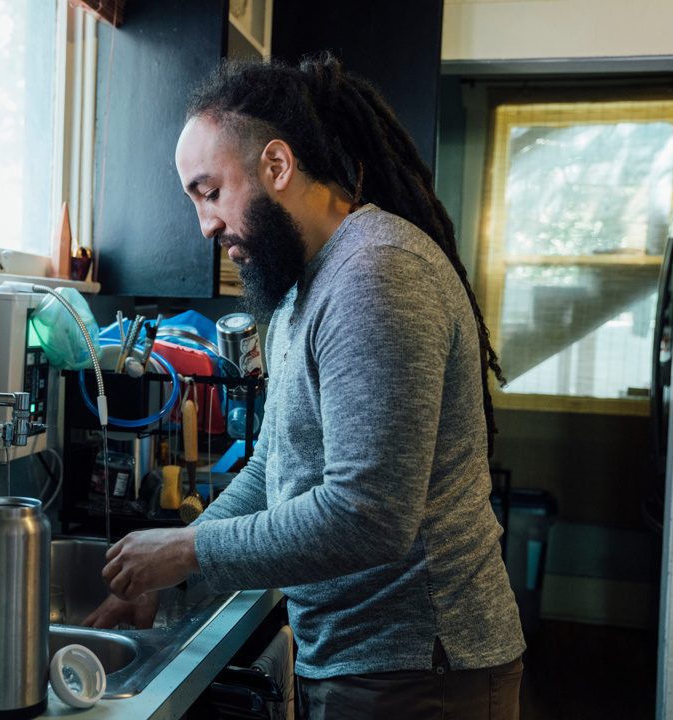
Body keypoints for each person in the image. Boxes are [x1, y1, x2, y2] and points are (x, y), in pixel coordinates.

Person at [84, 54, 526, 719]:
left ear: (278, 167)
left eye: (209, 191)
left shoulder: (375, 276)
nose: (204, 225)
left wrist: (185, 549)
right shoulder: (303, 287)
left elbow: (368, 514)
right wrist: (174, 570)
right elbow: (275, 466)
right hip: (364, 660)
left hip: (421, 668)